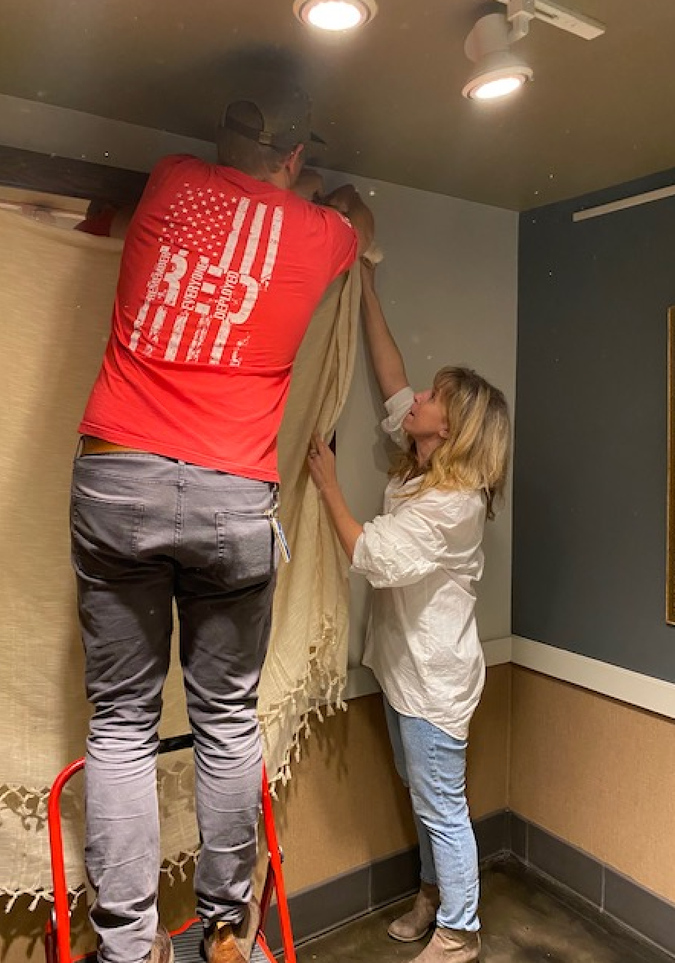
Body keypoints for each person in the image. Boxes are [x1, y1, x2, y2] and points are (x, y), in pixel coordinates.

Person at [70, 81, 374, 963]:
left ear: (218, 144)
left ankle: (128, 948)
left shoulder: (168, 181)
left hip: (118, 474)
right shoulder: (319, 235)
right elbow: (364, 219)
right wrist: (327, 199)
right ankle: (227, 929)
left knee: (122, 724)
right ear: (294, 160)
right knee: (226, 718)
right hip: (232, 495)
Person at [307, 260, 510, 963]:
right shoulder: (424, 469)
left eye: (434, 397)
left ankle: (460, 931)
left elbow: (372, 554)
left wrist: (329, 483)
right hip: (404, 668)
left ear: (452, 428)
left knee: (442, 805)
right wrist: (364, 284)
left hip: (434, 680)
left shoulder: (453, 504)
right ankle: (434, 894)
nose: (416, 397)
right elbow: (391, 375)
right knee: (423, 795)